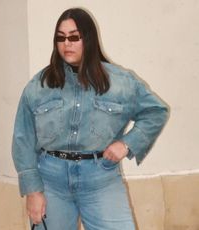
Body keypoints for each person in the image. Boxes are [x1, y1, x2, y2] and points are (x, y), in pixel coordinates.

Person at [12, 7, 169, 230]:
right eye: (61, 37)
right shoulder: (39, 85)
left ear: (88, 38)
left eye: (74, 37)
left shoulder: (121, 82)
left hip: (101, 180)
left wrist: (127, 144)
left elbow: (156, 112)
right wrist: (32, 190)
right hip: (51, 181)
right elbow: (23, 139)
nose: (67, 43)